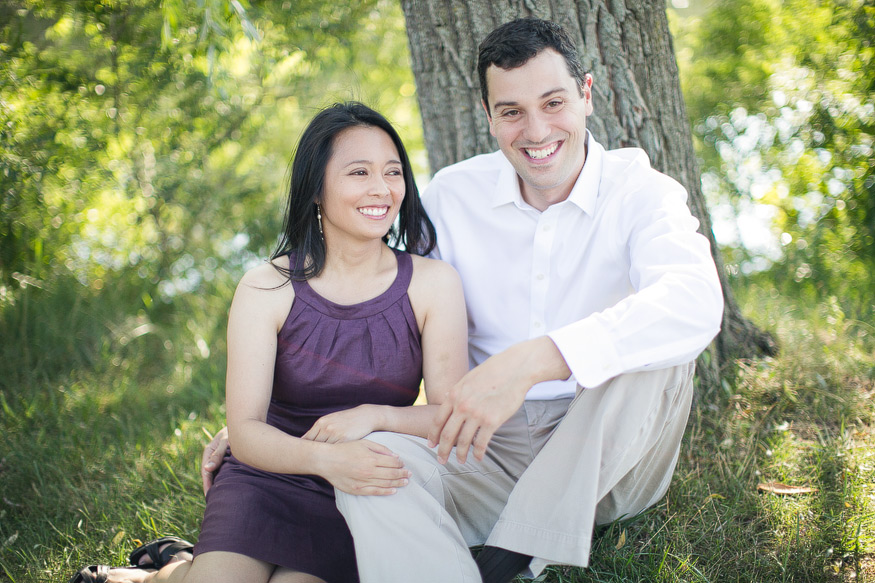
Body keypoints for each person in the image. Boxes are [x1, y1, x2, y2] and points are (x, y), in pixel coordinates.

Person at [209, 17, 723, 583]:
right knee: (380, 463)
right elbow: (376, 297)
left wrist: (537, 360)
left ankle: (520, 551)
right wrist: (262, 428)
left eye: (553, 102)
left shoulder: (642, 192)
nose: (536, 129)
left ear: (587, 94)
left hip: (609, 454)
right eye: (511, 112)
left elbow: (695, 300)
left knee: (658, 354)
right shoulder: (454, 196)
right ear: (489, 116)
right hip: (485, 448)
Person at [67, 102, 469, 583]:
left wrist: (375, 418)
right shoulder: (265, 287)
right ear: (316, 189)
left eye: (393, 172)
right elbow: (246, 429)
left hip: (359, 487)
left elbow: (447, 417)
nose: (382, 189)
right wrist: (324, 458)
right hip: (267, 473)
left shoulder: (433, 283)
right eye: (359, 172)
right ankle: (167, 571)